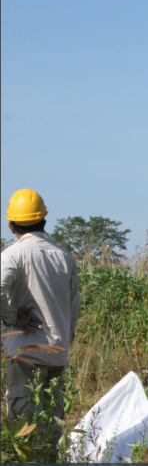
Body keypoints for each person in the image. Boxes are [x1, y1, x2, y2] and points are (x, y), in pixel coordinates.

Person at [1, 189, 79, 445]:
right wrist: (65, 341)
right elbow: (73, 308)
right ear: (44, 222)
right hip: (58, 352)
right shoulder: (64, 257)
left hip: (26, 354)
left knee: (24, 429)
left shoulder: (12, 255)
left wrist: (12, 318)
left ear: (11, 226)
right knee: (52, 426)